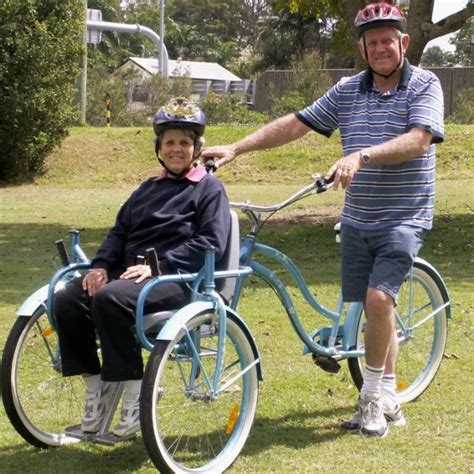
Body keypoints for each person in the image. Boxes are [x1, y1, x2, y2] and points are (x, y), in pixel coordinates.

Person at [202, 3, 444, 438]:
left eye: (388, 39)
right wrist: (238, 147)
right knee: (372, 308)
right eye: (372, 42)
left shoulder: (425, 84)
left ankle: (370, 400)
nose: (381, 48)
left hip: (404, 215)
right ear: (362, 49)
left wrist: (361, 155)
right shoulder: (349, 90)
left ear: (404, 43)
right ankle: (389, 395)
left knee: (378, 300)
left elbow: (419, 140)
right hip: (357, 218)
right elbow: (297, 123)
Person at [54, 98, 231, 438]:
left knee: (109, 299)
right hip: (128, 276)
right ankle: (97, 390)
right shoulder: (146, 189)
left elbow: (210, 243)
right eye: (169, 142)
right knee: (67, 299)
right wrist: (102, 266)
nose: (176, 149)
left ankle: (136, 398)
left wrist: (157, 266)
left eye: (184, 142)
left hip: (179, 279)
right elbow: (119, 233)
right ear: (159, 148)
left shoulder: (209, 190)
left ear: (196, 148)